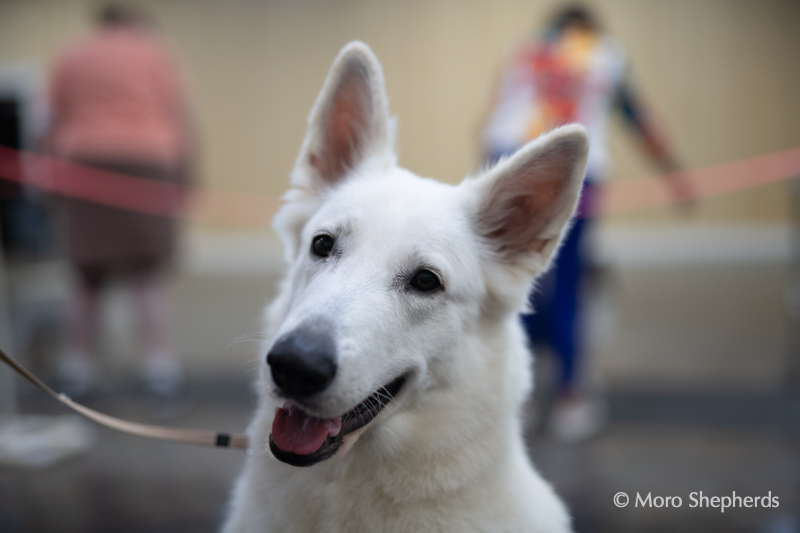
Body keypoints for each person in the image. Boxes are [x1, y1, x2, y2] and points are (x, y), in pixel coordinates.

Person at [481, 5, 692, 441]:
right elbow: (639, 118)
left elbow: (490, 116)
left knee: (515, 280)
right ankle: (570, 398)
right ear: (591, 31)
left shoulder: (524, 51)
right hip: (571, 176)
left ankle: (515, 399)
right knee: (570, 284)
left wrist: (483, 185)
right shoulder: (605, 53)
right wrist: (675, 175)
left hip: (508, 167)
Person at [47, 3, 194, 397]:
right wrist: (184, 181)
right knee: (147, 273)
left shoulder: (73, 52)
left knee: (86, 276)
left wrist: (49, 182)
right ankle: (159, 369)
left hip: (84, 163)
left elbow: (47, 118)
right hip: (147, 165)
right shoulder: (156, 50)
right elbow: (181, 117)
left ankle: (76, 369)